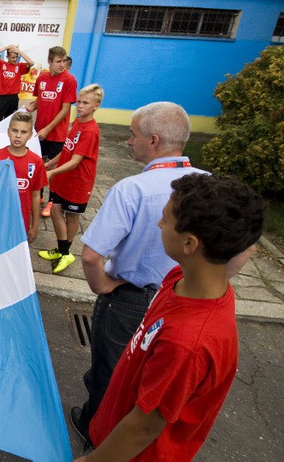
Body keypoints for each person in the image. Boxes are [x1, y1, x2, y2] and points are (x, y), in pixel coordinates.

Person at [79, 173, 264, 462]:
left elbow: (143, 427)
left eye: (166, 219)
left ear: (190, 243)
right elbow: (247, 248)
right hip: (116, 428)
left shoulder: (187, 345)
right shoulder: (181, 276)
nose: (159, 223)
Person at [69, 101, 206, 444]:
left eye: (132, 135)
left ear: (154, 140)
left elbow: (90, 256)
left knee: (111, 374)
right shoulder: (210, 185)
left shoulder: (132, 189)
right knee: (155, 378)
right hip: (184, 299)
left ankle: (95, 436)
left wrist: (103, 287)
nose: (128, 141)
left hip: (129, 300)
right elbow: (242, 247)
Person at [38, 84, 103, 274]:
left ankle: (65, 252)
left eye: (85, 103)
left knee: (71, 215)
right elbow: (67, 150)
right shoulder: (77, 122)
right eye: (79, 102)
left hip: (79, 181)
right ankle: (62, 250)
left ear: (96, 106)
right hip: (64, 178)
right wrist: (50, 164)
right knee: (57, 210)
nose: (80, 106)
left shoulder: (90, 130)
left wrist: (51, 173)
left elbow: (76, 162)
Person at [23, 46, 78, 216]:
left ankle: (51, 201)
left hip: (57, 133)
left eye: (64, 61)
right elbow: (40, 99)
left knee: (54, 167)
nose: (62, 65)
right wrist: (31, 107)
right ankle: (38, 195)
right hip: (39, 132)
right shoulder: (42, 78)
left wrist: (48, 128)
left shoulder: (69, 80)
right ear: (50, 62)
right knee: (38, 164)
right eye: (58, 61)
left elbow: (65, 109)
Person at [0, 112, 47, 242]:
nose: (18, 135)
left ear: (30, 135)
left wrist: (35, 226)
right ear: (8, 132)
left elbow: (36, 195)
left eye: (23, 132)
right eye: (15, 130)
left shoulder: (36, 162)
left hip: (21, 223)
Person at [0, 44, 35, 123]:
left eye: (16, 57)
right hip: (2, 97)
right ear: (7, 57)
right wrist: (5, 48)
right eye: (12, 57)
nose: (15, 59)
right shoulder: (2, 64)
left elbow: (31, 63)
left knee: (10, 121)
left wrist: (19, 51)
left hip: (13, 98)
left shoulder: (19, 66)